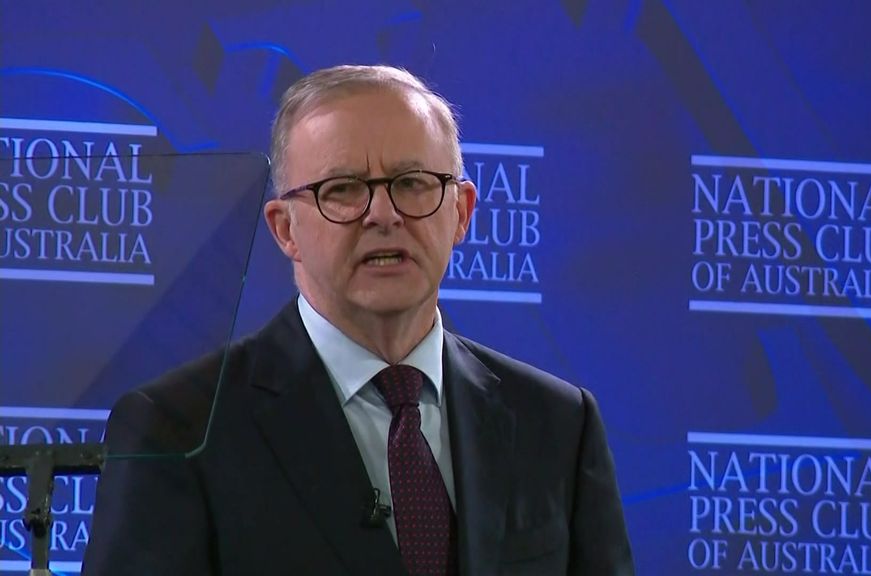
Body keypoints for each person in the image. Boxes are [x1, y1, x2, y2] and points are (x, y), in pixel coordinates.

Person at [83, 64, 634, 576]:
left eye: (413, 182)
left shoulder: (559, 424)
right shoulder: (178, 428)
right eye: (342, 190)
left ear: (461, 212)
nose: (383, 214)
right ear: (285, 229)